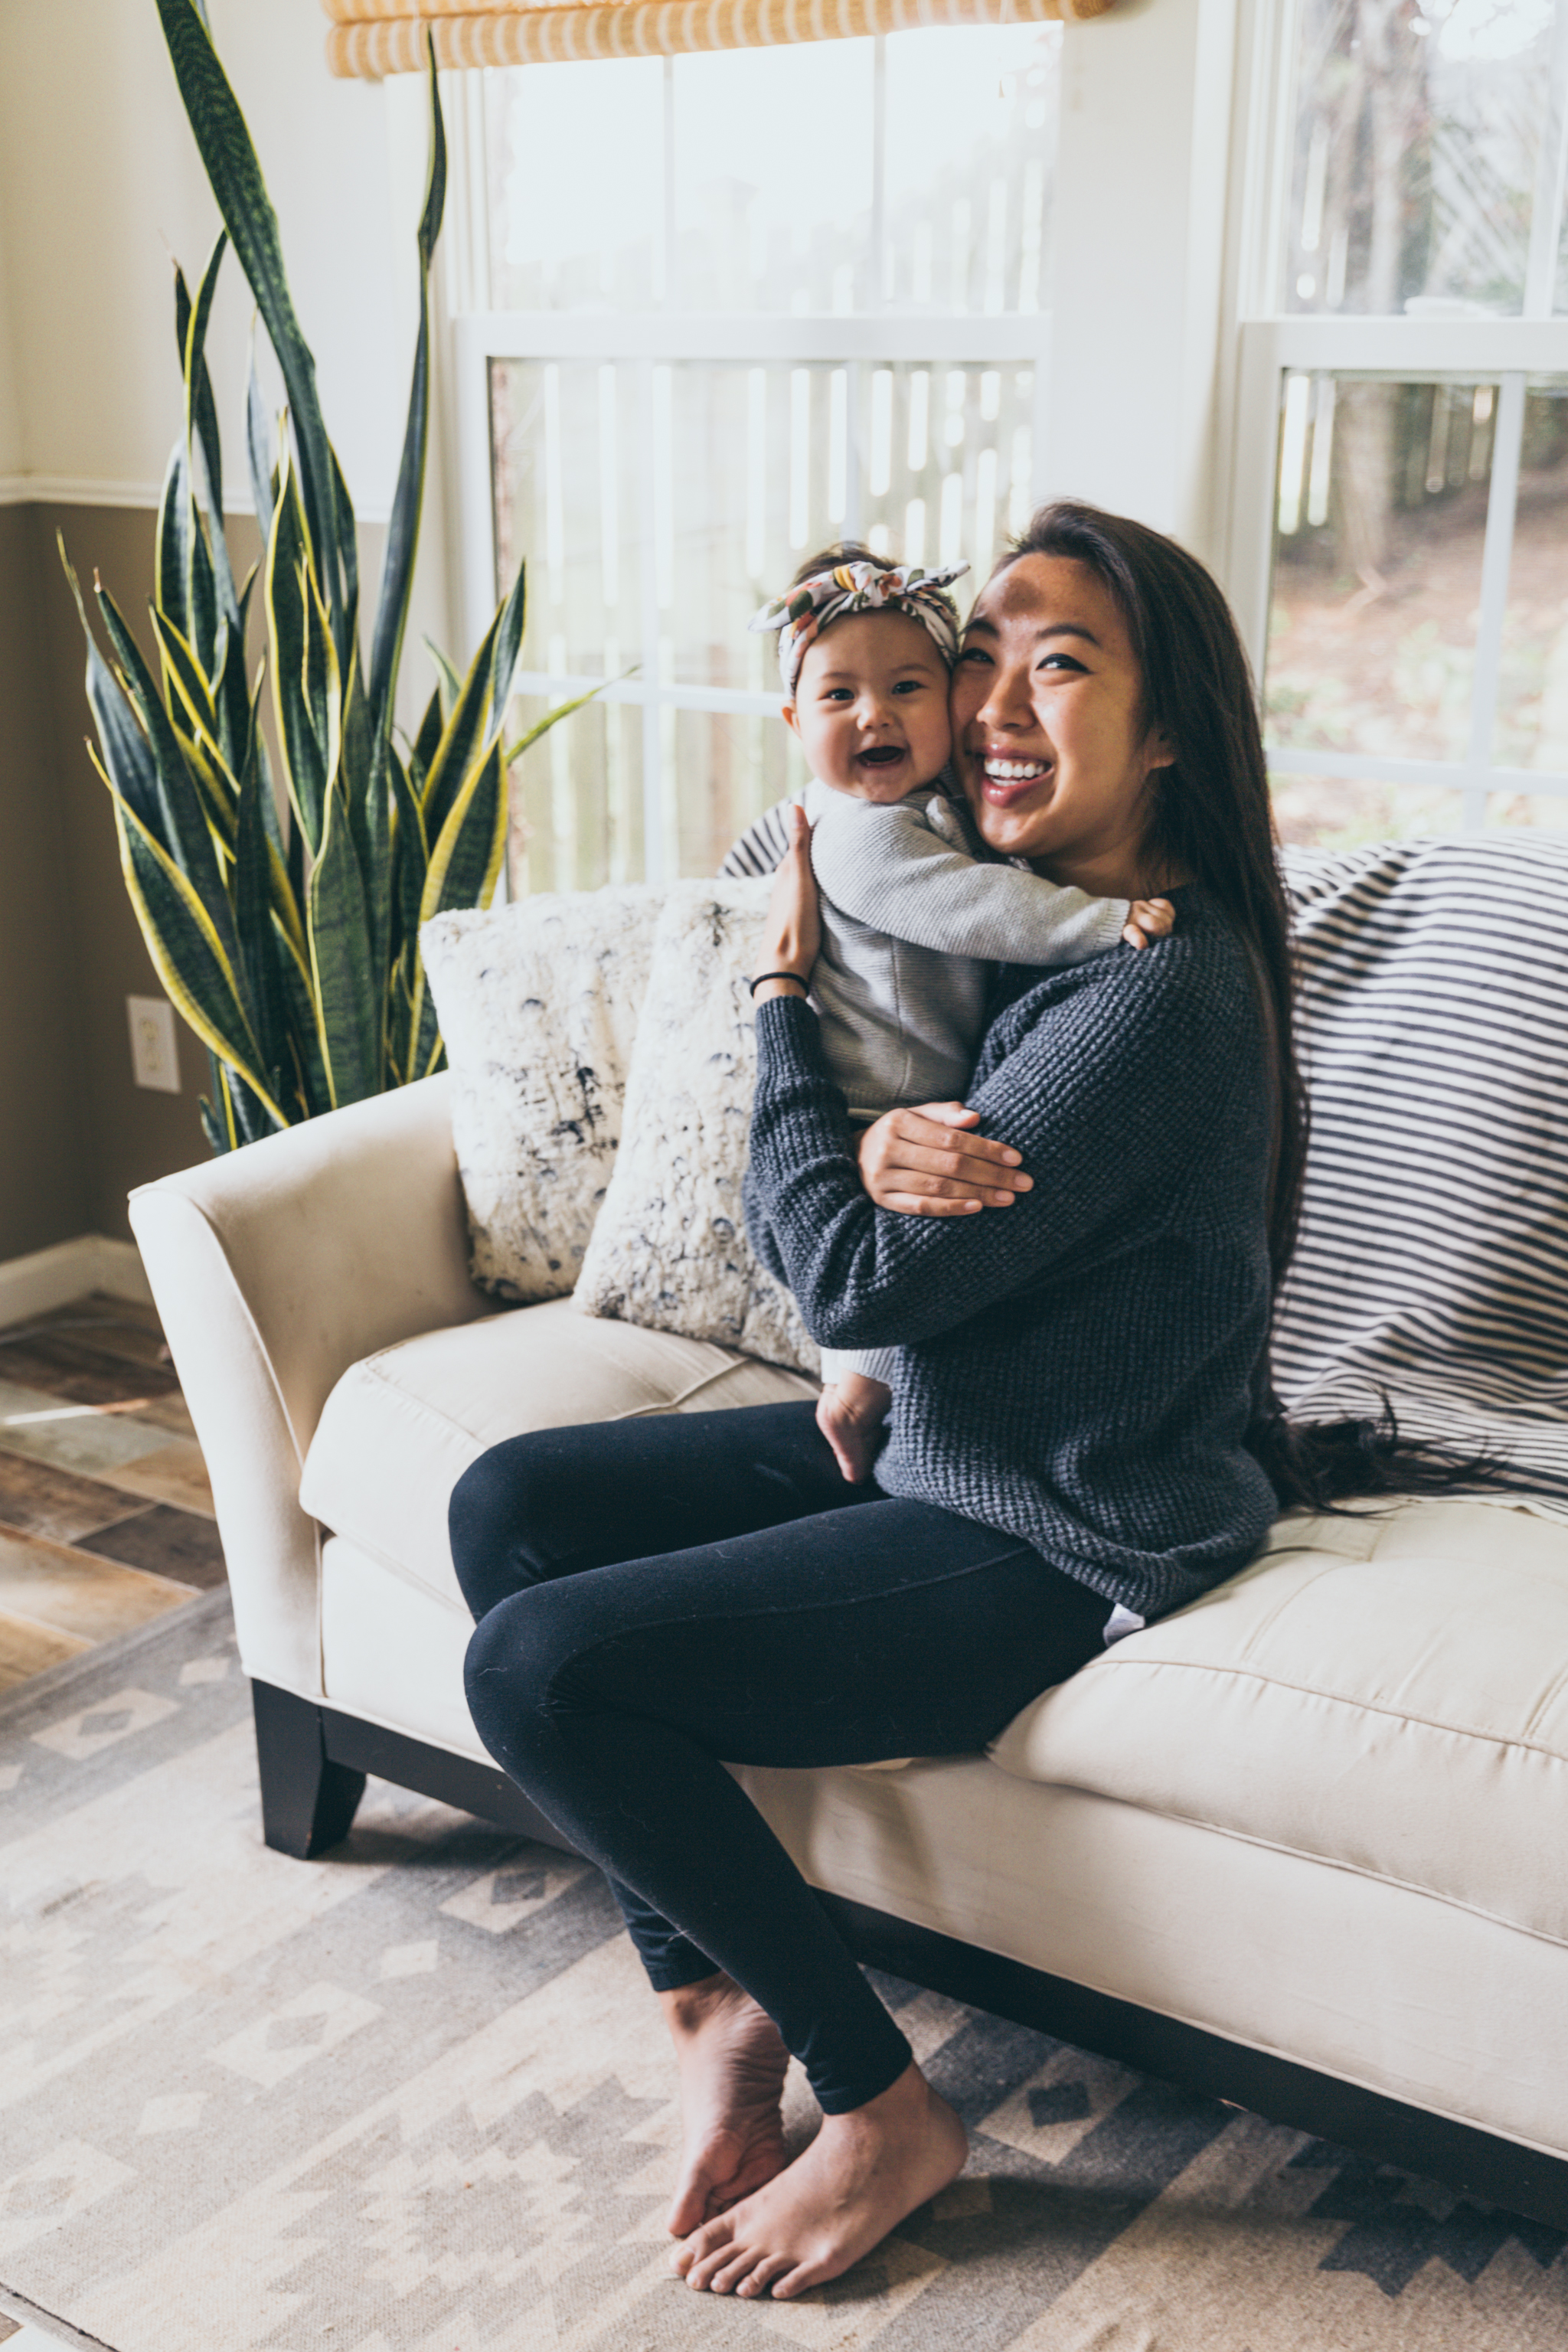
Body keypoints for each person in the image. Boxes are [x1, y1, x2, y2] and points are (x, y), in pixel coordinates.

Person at [448, 501, 1303, 2305]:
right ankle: (709, 1997)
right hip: (928, 1441)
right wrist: (855, 1140)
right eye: (977, 649)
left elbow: (844, 1277)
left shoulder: (1152, 988)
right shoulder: (1018, 928)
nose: (988, 696)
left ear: (1169, 730)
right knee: (504, 1504)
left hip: (1054, 1520)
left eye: (1056, 659)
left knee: (538, 1665)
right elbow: (869, 1243)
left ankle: (882, 2102)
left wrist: (780, 1023)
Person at [745, 544, 1174, 1482]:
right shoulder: (861, 835)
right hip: (876, 1092)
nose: (874, 715)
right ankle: (855, 1398)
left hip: (904, 1119)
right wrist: (1103, 922)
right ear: (791, 720)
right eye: (836, 698)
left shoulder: (1159, 991)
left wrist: (778, 985)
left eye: (909, 685)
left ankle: (859, 1402)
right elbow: (973, 908)